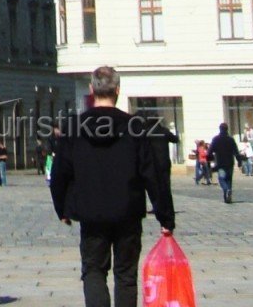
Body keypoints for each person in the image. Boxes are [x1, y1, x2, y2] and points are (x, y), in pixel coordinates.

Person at [50, 64, 174, 307]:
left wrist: (62, 208)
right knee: (126, 275)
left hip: (90, 212)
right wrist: (165, 218)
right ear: (118, 89)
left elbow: (59, 173)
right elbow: (153, 174)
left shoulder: (74, 127)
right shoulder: (135, 126)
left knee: (94, 271)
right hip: (128, 211)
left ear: (91, 89)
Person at [208, 122, 241, 204]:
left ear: (220, 129)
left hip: (220, 163)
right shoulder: (231, 139)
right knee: (229, 179)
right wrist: (239, 161)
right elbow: (236, 151)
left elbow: (210, 151)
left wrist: (210, 160)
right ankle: (228, 195)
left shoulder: (216, 139)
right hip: (230, 163)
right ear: (227, 129)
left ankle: (226, 190)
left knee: (222, 179)